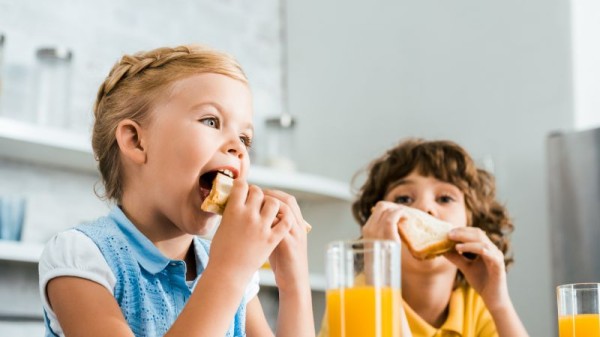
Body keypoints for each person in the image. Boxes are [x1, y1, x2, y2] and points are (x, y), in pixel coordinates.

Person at [39, 45, 314, 337]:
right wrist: (229, 269)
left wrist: (293, 284)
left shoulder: (231, 269)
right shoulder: (81, 256)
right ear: (136, 141)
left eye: (245, 138)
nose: (239, 148)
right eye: (211, 121)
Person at [318, 138, 529, 337]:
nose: (424, 208)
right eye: (404, 199)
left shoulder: (476, 303)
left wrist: (498, 302)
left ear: (472, 222)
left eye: (445, 198)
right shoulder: (354, 297)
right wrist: (379, 272)